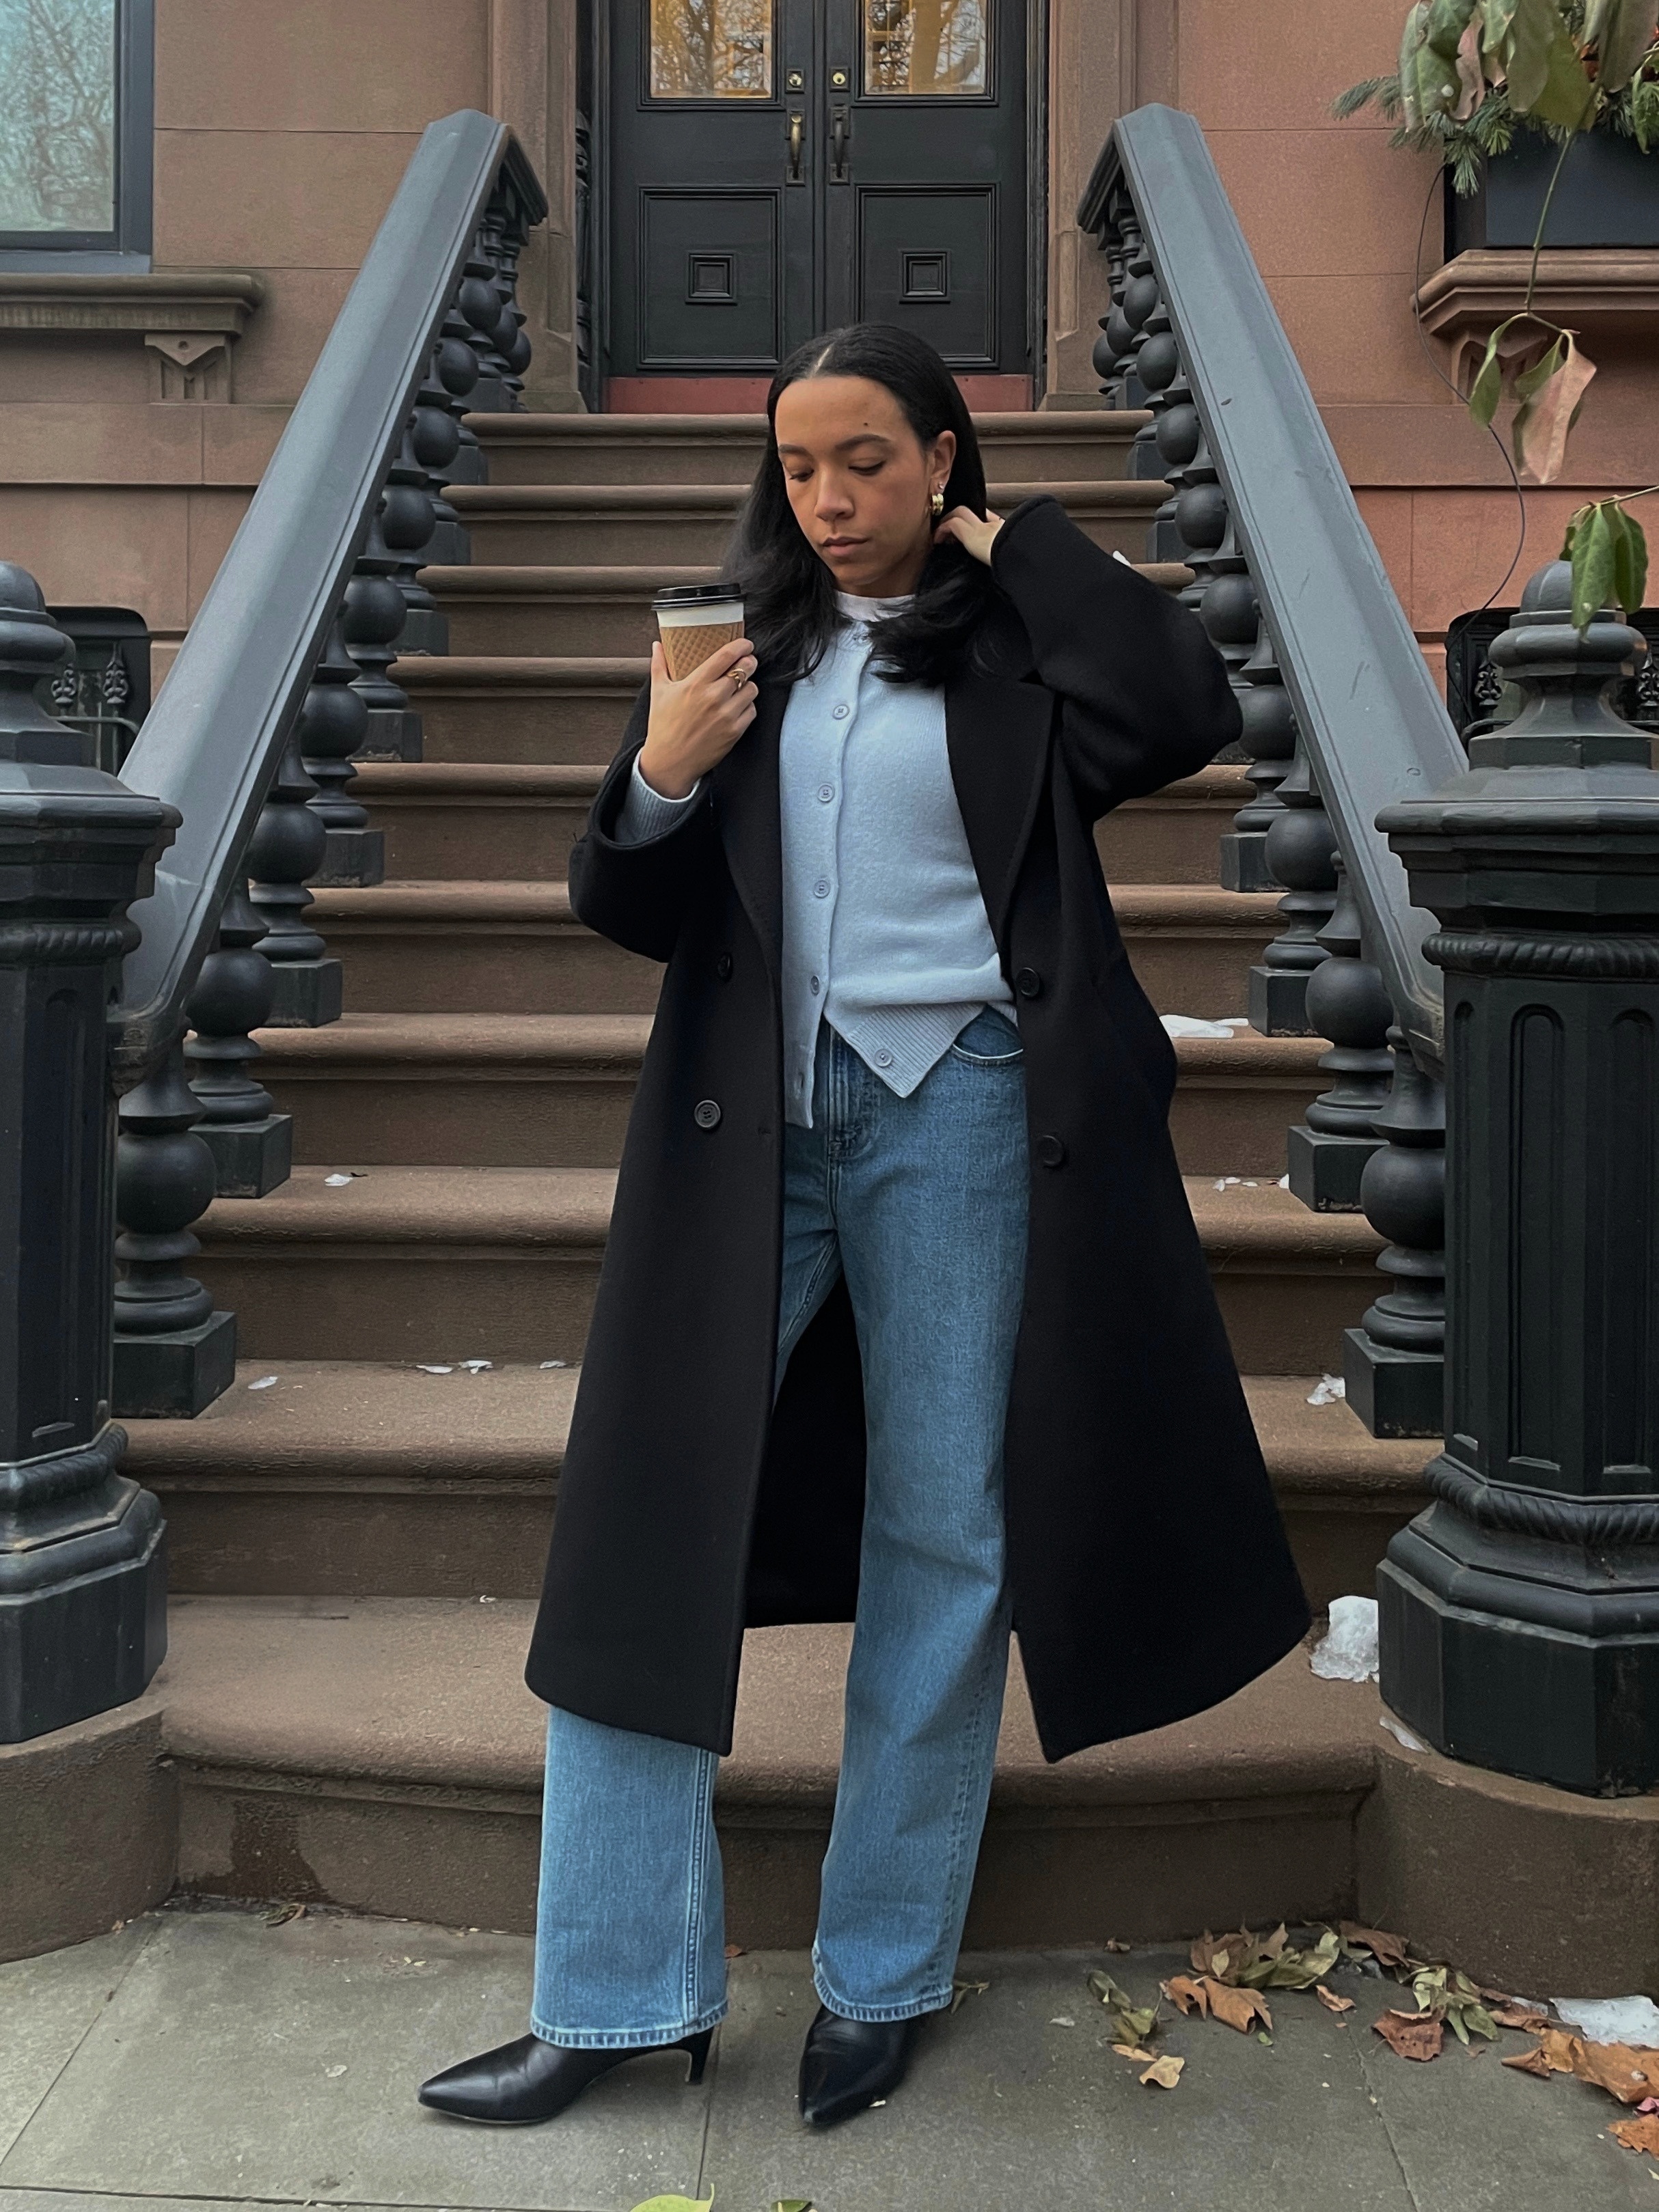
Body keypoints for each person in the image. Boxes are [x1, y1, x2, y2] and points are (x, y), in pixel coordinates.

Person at [418, 322, 1309, 2132]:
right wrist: (659, 766)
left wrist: (1019, 548)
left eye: (868, 464)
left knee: (942, 1534)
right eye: (800, 467)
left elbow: (1189, 702)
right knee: (639, 1529)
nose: (828, 501)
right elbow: (630, 900)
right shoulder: (737, 648)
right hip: (753, 1127)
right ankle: (610, 1994)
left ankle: (880, 1974)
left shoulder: (1021, 655)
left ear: (940, 461)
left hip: (968, 1107)